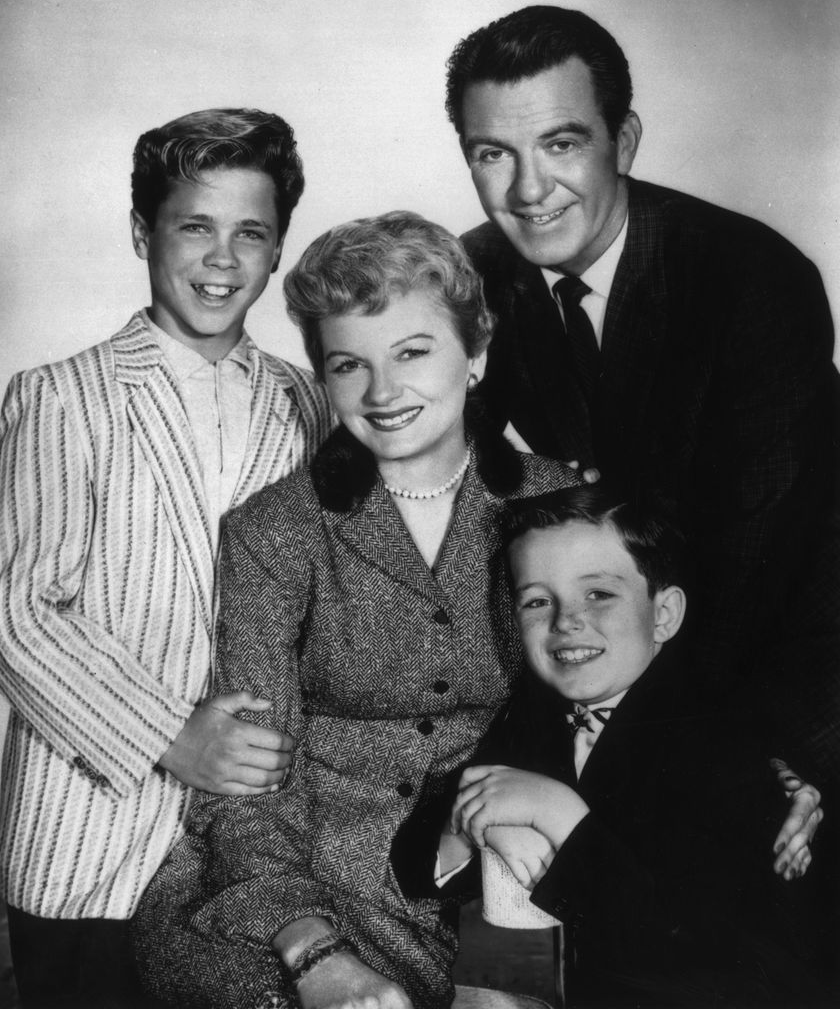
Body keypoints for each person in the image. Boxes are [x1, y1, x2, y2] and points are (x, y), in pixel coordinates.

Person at [130, 211, 579, 1009]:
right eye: (348, 365)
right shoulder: (274, 532)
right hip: (306, 875)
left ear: (475, 353)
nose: (382, 392)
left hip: (498, 865)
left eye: (412, 352)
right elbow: (247, 780)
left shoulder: (563, 504)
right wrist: (318, 955)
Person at [444, 6, 840, 801]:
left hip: (800, 652)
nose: (528, 190)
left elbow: (761, 560)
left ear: (622, 142)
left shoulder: (750, 279)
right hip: (626, 649)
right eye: (495, 153)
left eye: (561, 144)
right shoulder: (473, 277)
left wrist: (631, 757)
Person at [0, 108, 333, 1007]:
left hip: (250, 850)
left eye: (251, 234)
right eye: (195, 226)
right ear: (144, 230)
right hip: (90, 846)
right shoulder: (62, 397)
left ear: (277, 251)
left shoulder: (308, 403)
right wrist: (170, 736)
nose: (223, 260)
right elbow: (19, 611)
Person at [395, 485, 831, 1006]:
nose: (565, 621)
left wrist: (562, 819)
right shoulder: (531, 718)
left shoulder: (721, 749)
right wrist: (466, 827)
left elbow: (695, 957)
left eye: (598, 593)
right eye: (537, 601)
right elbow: (419, 867)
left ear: (664, 614)